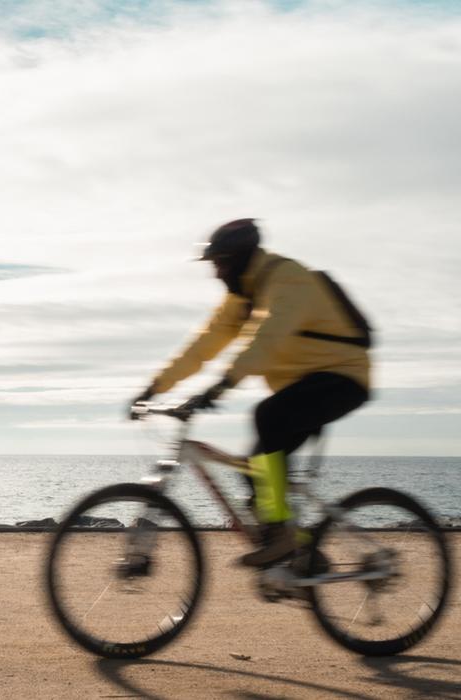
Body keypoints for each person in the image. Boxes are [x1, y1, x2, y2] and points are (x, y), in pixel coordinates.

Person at [130, 218, 372, 567]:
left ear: (242, 258)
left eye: (221, 263)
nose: (216, 273)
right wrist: (154, 387)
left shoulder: (287, 280)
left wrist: (222, 385)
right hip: (302, 387)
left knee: (267, 418)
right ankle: (303, 554)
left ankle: (282, 537)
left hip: (343, 378)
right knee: (256, 469)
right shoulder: (243, 297)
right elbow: (203, 345)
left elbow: (266, 340)